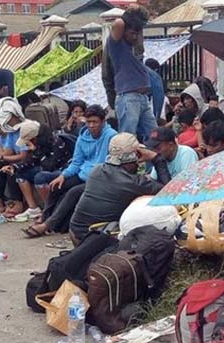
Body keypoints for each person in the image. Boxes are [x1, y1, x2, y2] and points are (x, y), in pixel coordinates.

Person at [25, 105, 116, 238]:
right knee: (56, 185)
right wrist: (63, 175)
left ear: (103, 122)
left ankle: (46, 225)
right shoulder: (83, 136)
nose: (91, 125)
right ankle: (45, 215)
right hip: (83, 174)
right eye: (88, 122)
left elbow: (107, 164)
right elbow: (77, 162)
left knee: (73, 193)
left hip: (101, 178)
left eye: (95, 122)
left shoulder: (111, 136)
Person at [69, 133, 170, 244]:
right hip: (94, 239)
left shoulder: (97, 170)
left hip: (75, 232)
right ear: (135, 155)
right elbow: (169, 193)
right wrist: (157, 159)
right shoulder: (132, 183)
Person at [103, 6, 156, 141]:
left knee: (155, 138)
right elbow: (118, 23)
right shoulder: (116, 45)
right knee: (127, 140)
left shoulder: (134, 47)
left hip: (143, 98)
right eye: (132, 33)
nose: (135, 36)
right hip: (128, 97)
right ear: (124, 31)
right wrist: (131, 13)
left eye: (137, 33)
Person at [0, 97, 36, 218]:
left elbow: (23, 156)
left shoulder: (26, 128)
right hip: (18, 160)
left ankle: (18, 203)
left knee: (11, 168)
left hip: (30, 162)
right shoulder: (11, 132)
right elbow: (7, 152)